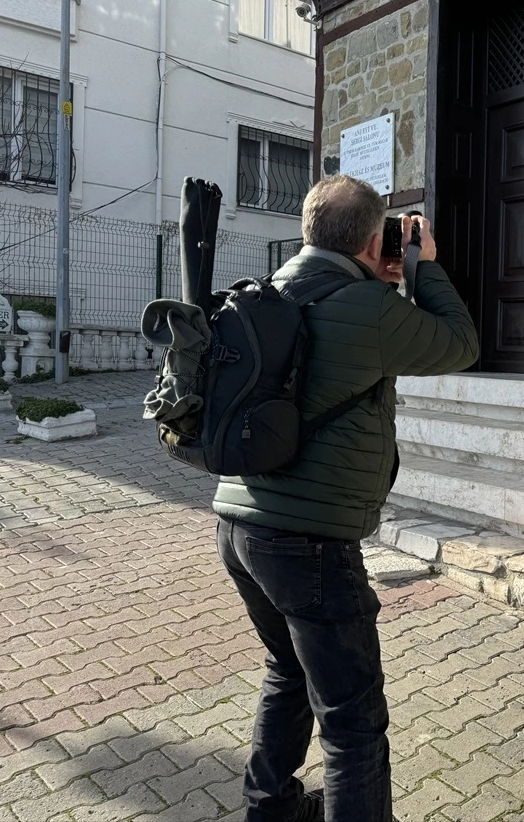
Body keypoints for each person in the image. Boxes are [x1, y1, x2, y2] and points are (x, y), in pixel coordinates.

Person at [212, 175, 478, 821]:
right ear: (370, 239)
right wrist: (425, 268)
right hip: (310, 542)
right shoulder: (370, 309)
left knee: (287, 675)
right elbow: (461, 345)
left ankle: (268, 807)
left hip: (238, 524)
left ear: (309, 229)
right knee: (353, 722)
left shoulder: (266, 291)